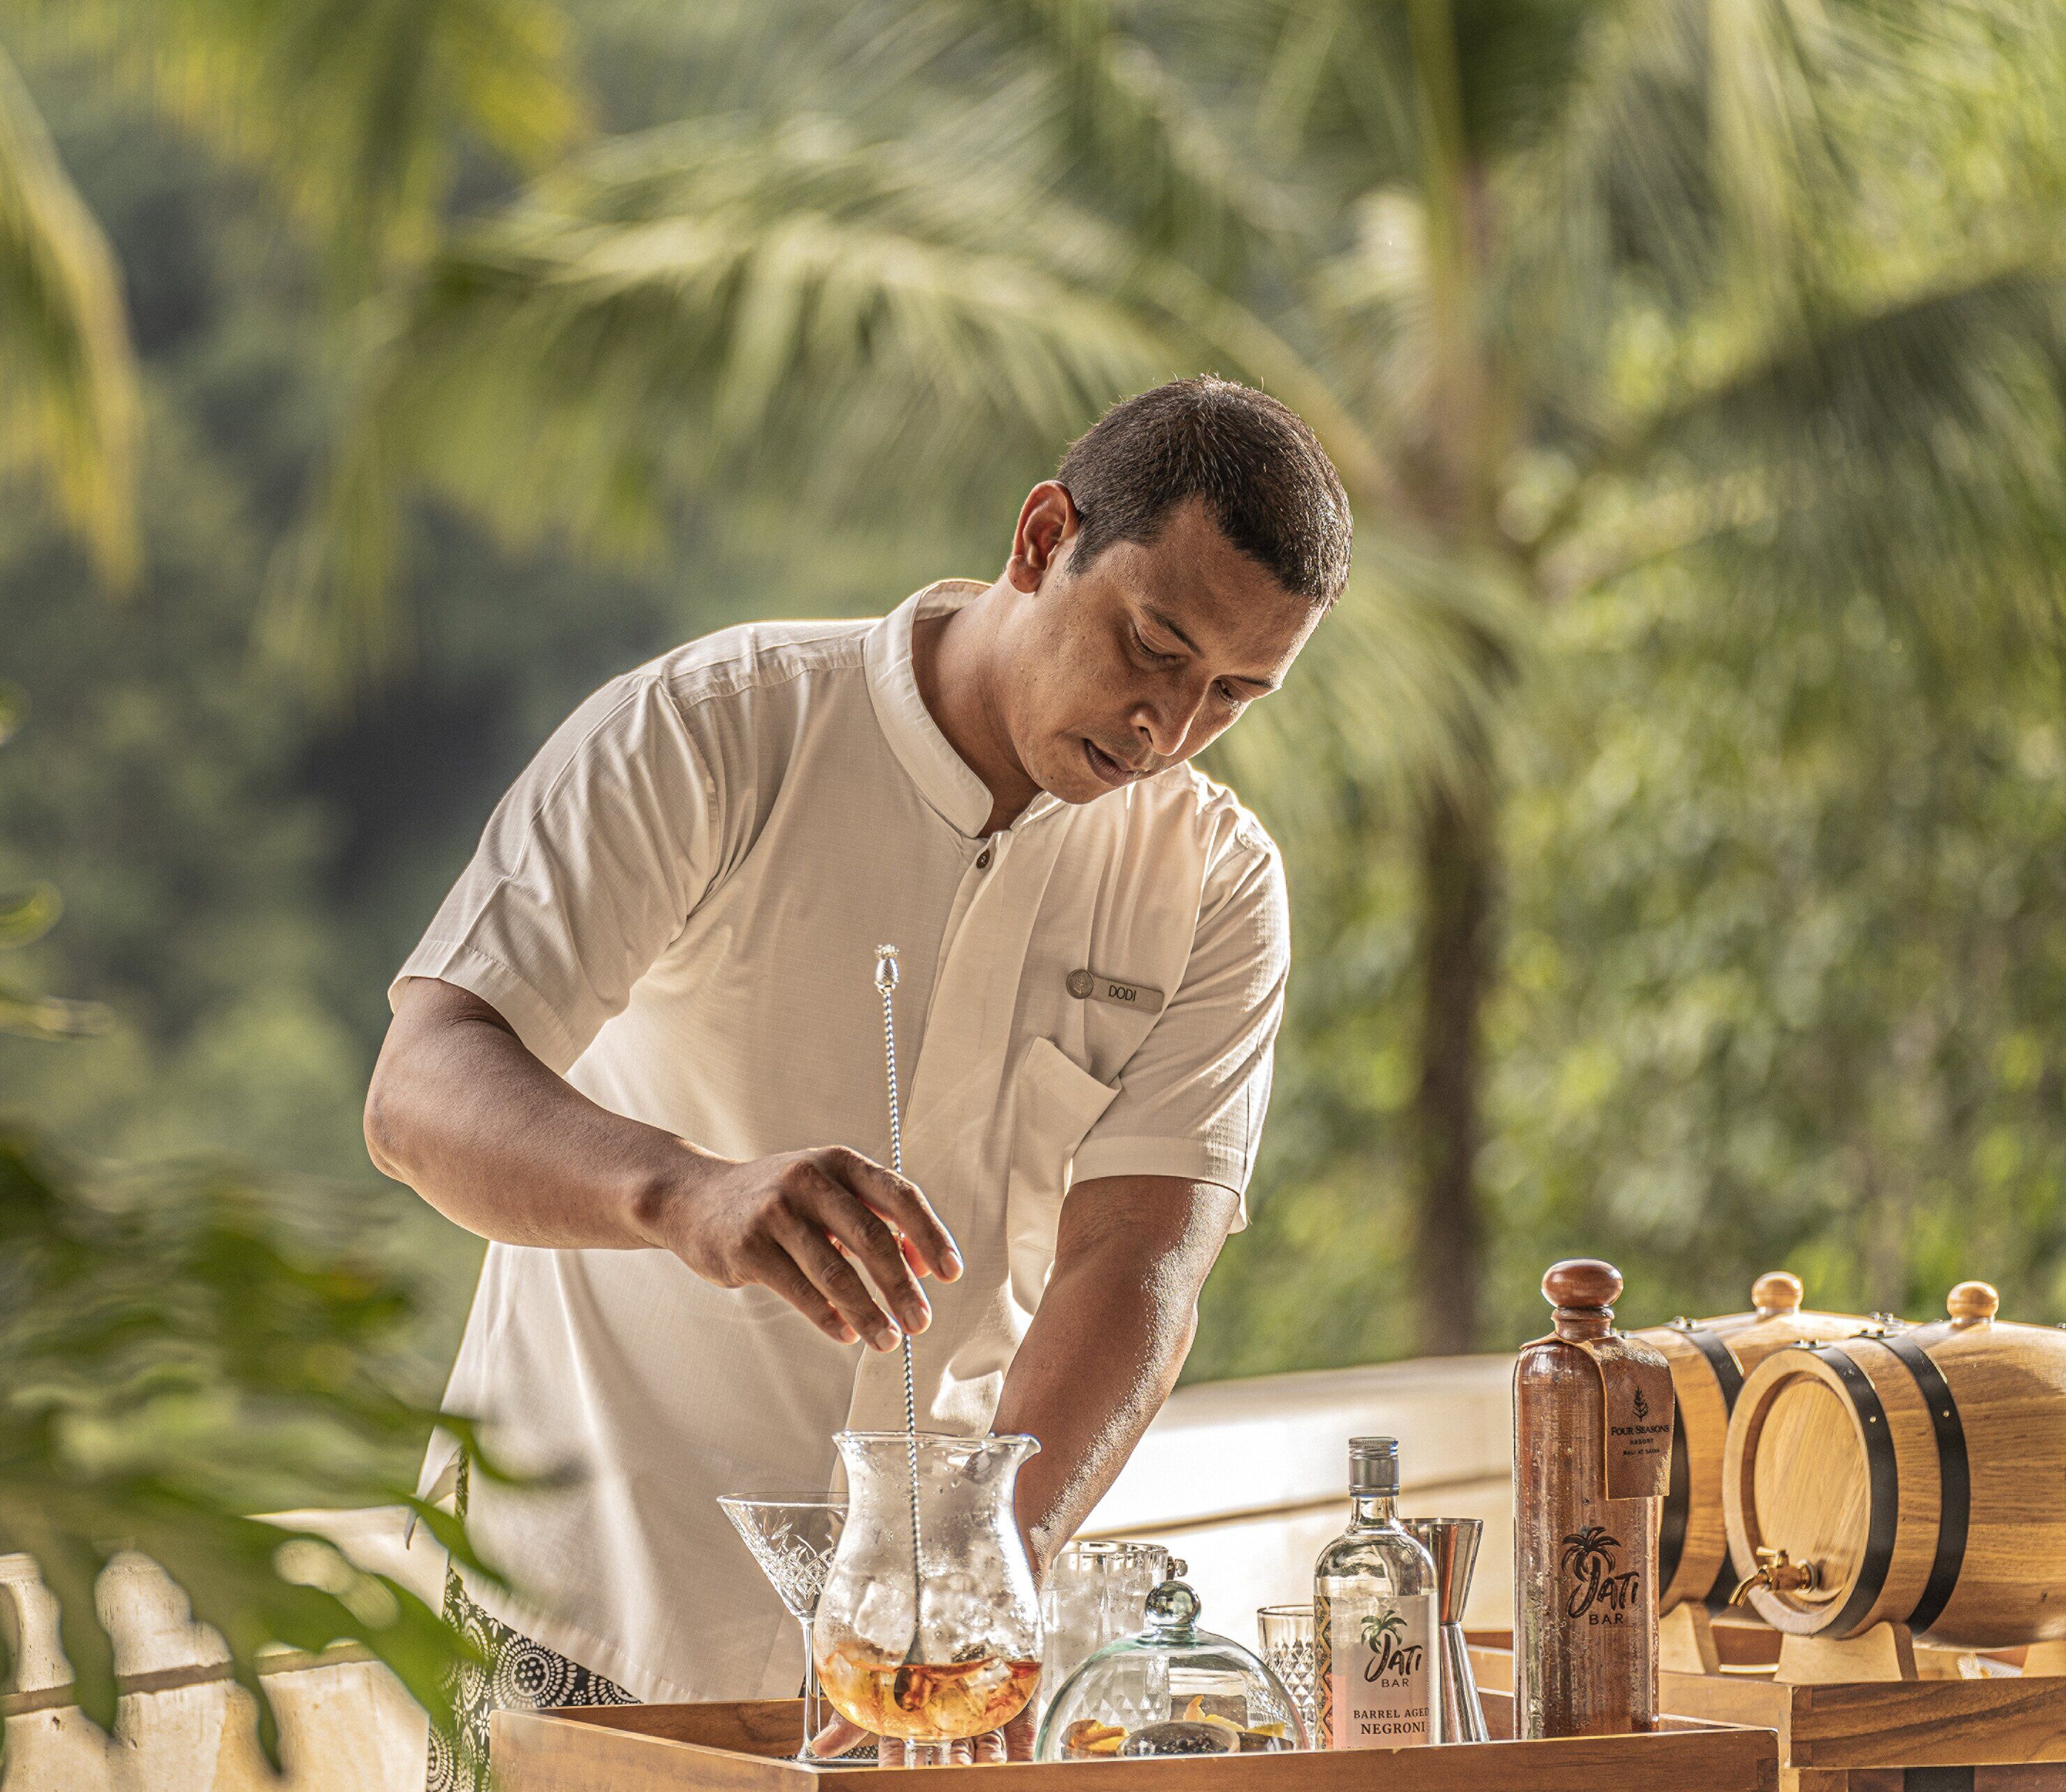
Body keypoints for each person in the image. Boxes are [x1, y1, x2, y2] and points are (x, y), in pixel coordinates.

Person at [367, 376, 1350, 1784]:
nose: (1167, 730)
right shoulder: (711, 731)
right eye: (1152, 646)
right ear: (1042, 537)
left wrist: (995, 1563)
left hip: (909, 1665)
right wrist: (683, 1195)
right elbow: (422, 1086)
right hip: (571, 1614)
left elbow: (1139, 1265)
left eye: (1232, 698)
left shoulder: (1214, 884)